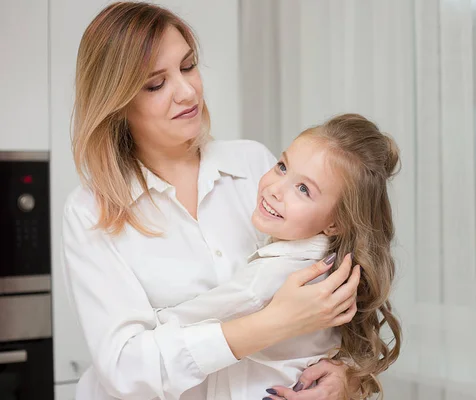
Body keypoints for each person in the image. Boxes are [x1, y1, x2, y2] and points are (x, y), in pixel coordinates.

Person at [62, 2, 360, 399]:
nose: (187, 92)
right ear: (116, 103)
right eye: (155, 84)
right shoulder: (90, 212)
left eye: (188, 66)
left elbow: (329, 297)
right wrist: (274, 323)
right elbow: (124, 366)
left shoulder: (255, 164)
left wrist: (345, 376)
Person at [156, 114, 402, 400]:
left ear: (335, 223)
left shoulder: (268, 277)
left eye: (303, 189)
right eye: (282, 167)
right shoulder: (332, 265)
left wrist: (155, 318)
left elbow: (175, 322)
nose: (275, 189)